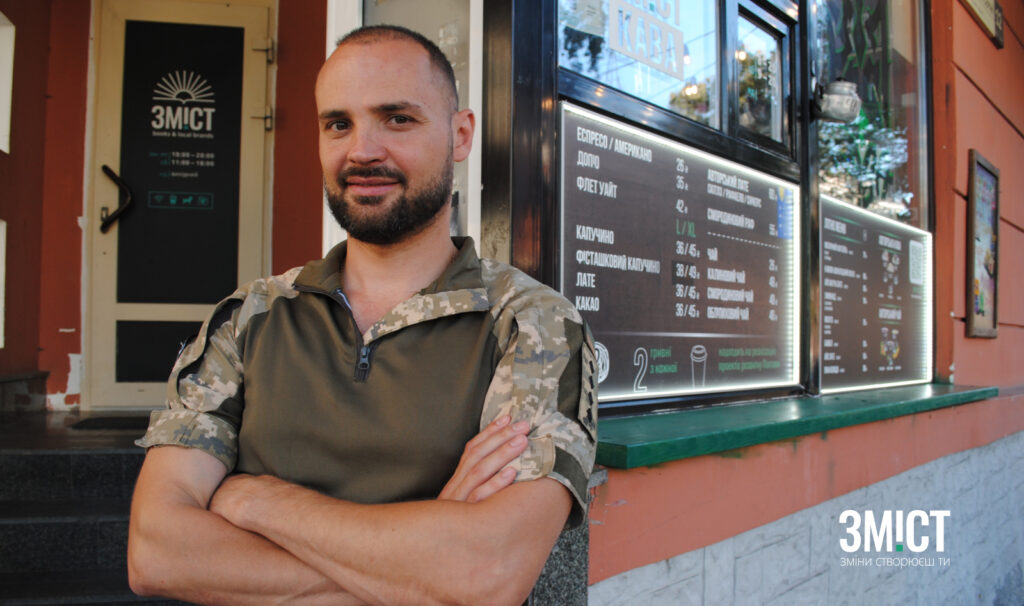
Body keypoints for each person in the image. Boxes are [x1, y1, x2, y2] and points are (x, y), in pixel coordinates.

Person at [127, 24, 597, 606]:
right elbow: (157, 553)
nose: (362, 151)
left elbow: (487, 572)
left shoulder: (531, 325)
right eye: (338, 124)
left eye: (397, 119)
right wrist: (421, 566)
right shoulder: (250, 318)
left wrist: (259, 501)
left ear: (460, 135)